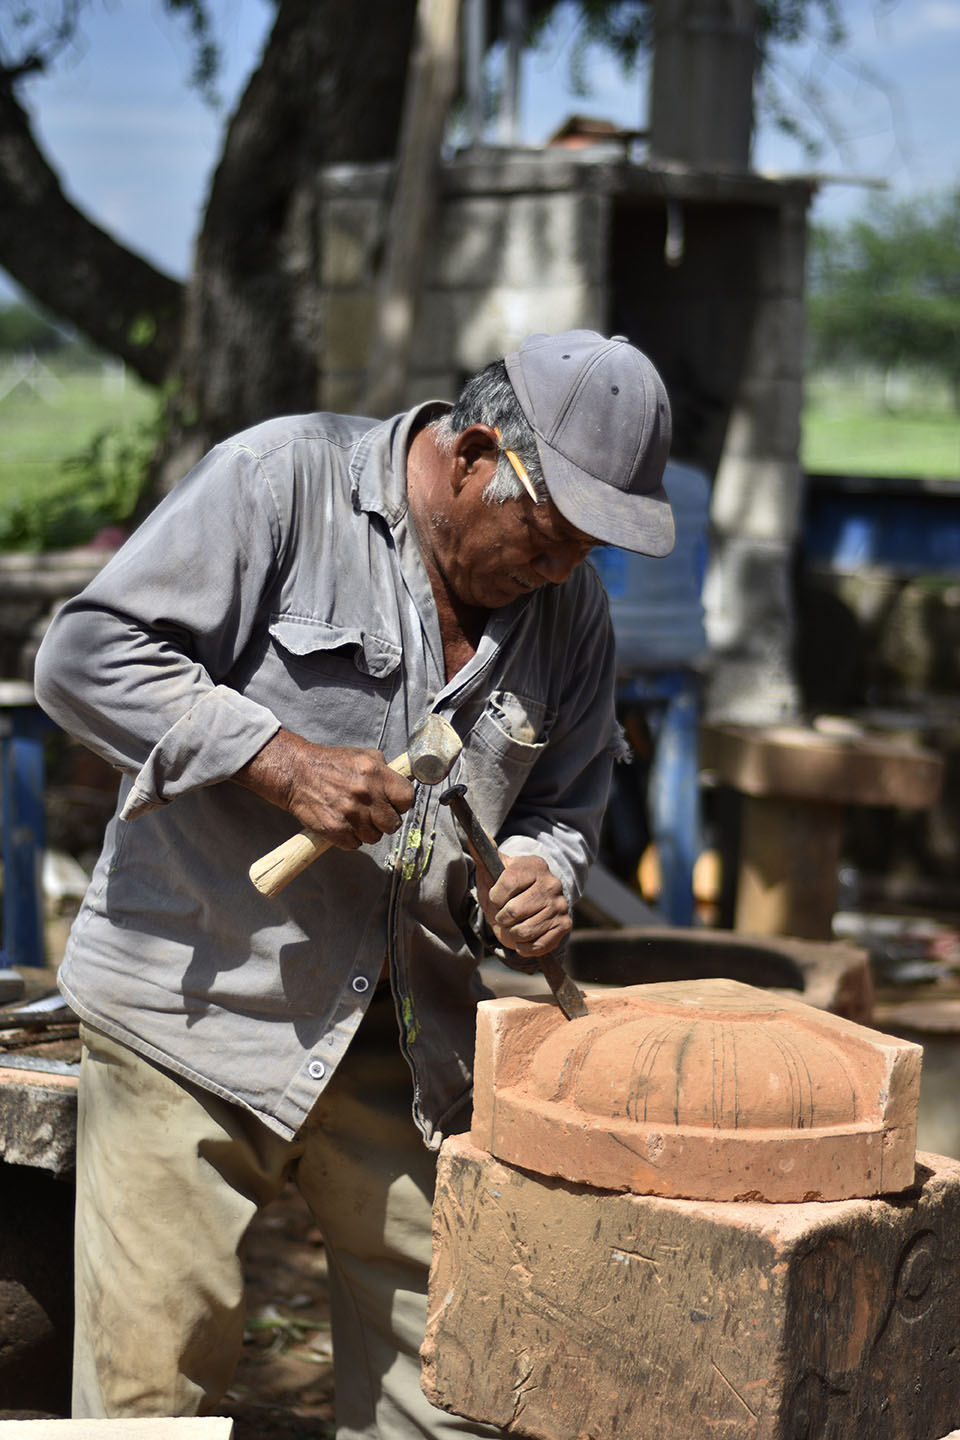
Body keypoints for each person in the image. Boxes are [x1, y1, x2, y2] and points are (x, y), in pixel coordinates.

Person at [33, 328, 674, 1435]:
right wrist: (277, 760)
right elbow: (84, 657)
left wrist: (533, 873)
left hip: (403, 1045)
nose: (565, 567)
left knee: (458, 1385)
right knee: (147, 1397)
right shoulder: (281, 482)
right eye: (551, 529)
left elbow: (563, 809)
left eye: (594, 547)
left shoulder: (570, 616)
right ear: (476, 453)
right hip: (193, 1013)